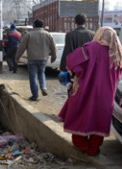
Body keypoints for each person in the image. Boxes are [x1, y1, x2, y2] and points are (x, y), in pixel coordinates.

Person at [58, 26, 122, 156]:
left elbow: (71, 62)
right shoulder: (118, 53)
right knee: (99, 119)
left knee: (80, 114)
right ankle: (93, 149)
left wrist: (77, 74)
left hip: (86, 90)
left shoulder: (91, 48)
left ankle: (82, 145)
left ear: (99, 35)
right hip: (107, 94)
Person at [15, 19, 56, 101]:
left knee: (33, 76)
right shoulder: (48, 34)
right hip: (44, 58)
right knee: (41, 73)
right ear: (42, 25)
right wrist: (53, 57)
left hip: (32, 59)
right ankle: (43, 87)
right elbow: (53, 47)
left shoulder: (29, 35)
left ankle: (35, 95)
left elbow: (21, 47)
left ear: (34, 25)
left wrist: (17, 58)